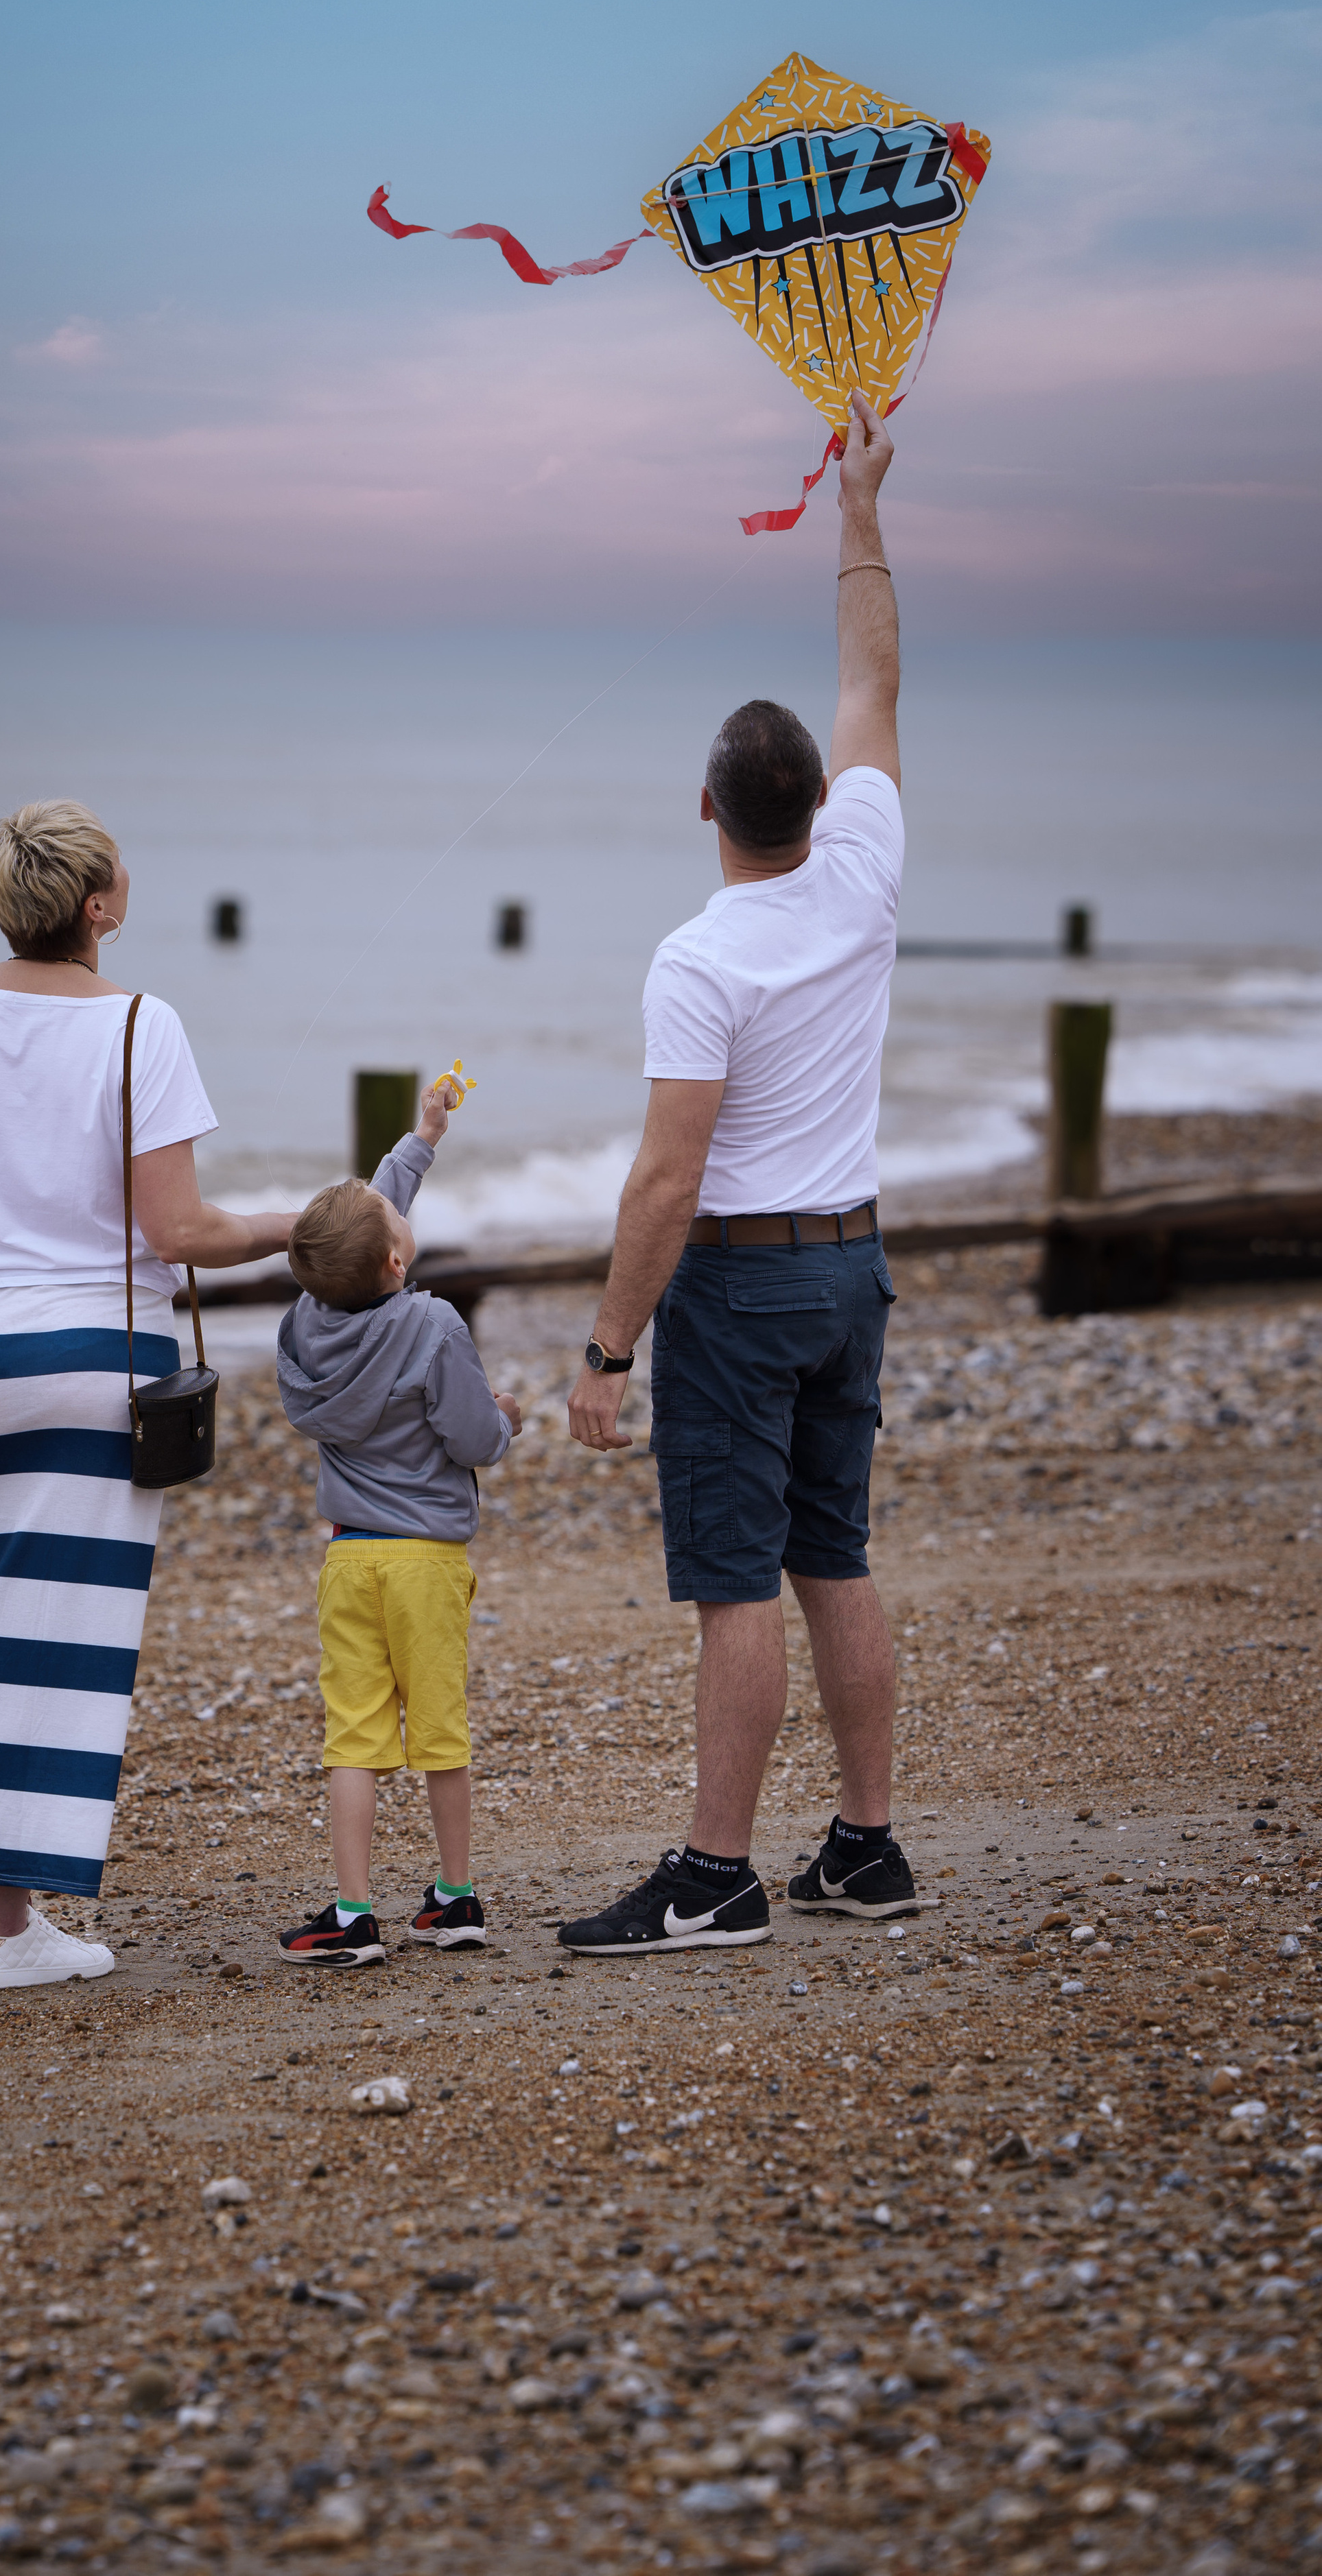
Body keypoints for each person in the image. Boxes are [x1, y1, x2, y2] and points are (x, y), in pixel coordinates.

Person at [558, 390, 919, 1956]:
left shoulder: (698, 955)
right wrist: (856, 508)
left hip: (746, 1280)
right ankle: (863, 1847)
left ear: (703, 808)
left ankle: (715, 1877)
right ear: (815, 805)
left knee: (734, 1583)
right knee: (829, 1550)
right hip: (851, 1266)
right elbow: (869, 676)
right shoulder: (865, 864)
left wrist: (603, 1350)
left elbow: (662, 1182)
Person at [0, 800, 296, 1992]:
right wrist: (295, 1227)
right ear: (97, 903)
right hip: (95, 1364)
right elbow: (183, 1229)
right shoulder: (140, 1026)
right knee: (48, 1638)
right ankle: (6, 1933)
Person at [272, 1075, 521, 1967]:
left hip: (349, 1559)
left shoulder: (306, 1326)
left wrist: (422, 1140)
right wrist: (507, 1417)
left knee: (356, 1735)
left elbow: (370, 1222)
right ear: (395, 1263)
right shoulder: (433, 1325)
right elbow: (472, 1438)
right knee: (439, 1730)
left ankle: (351, 1914)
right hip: (425, 1561)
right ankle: (455, 1899)